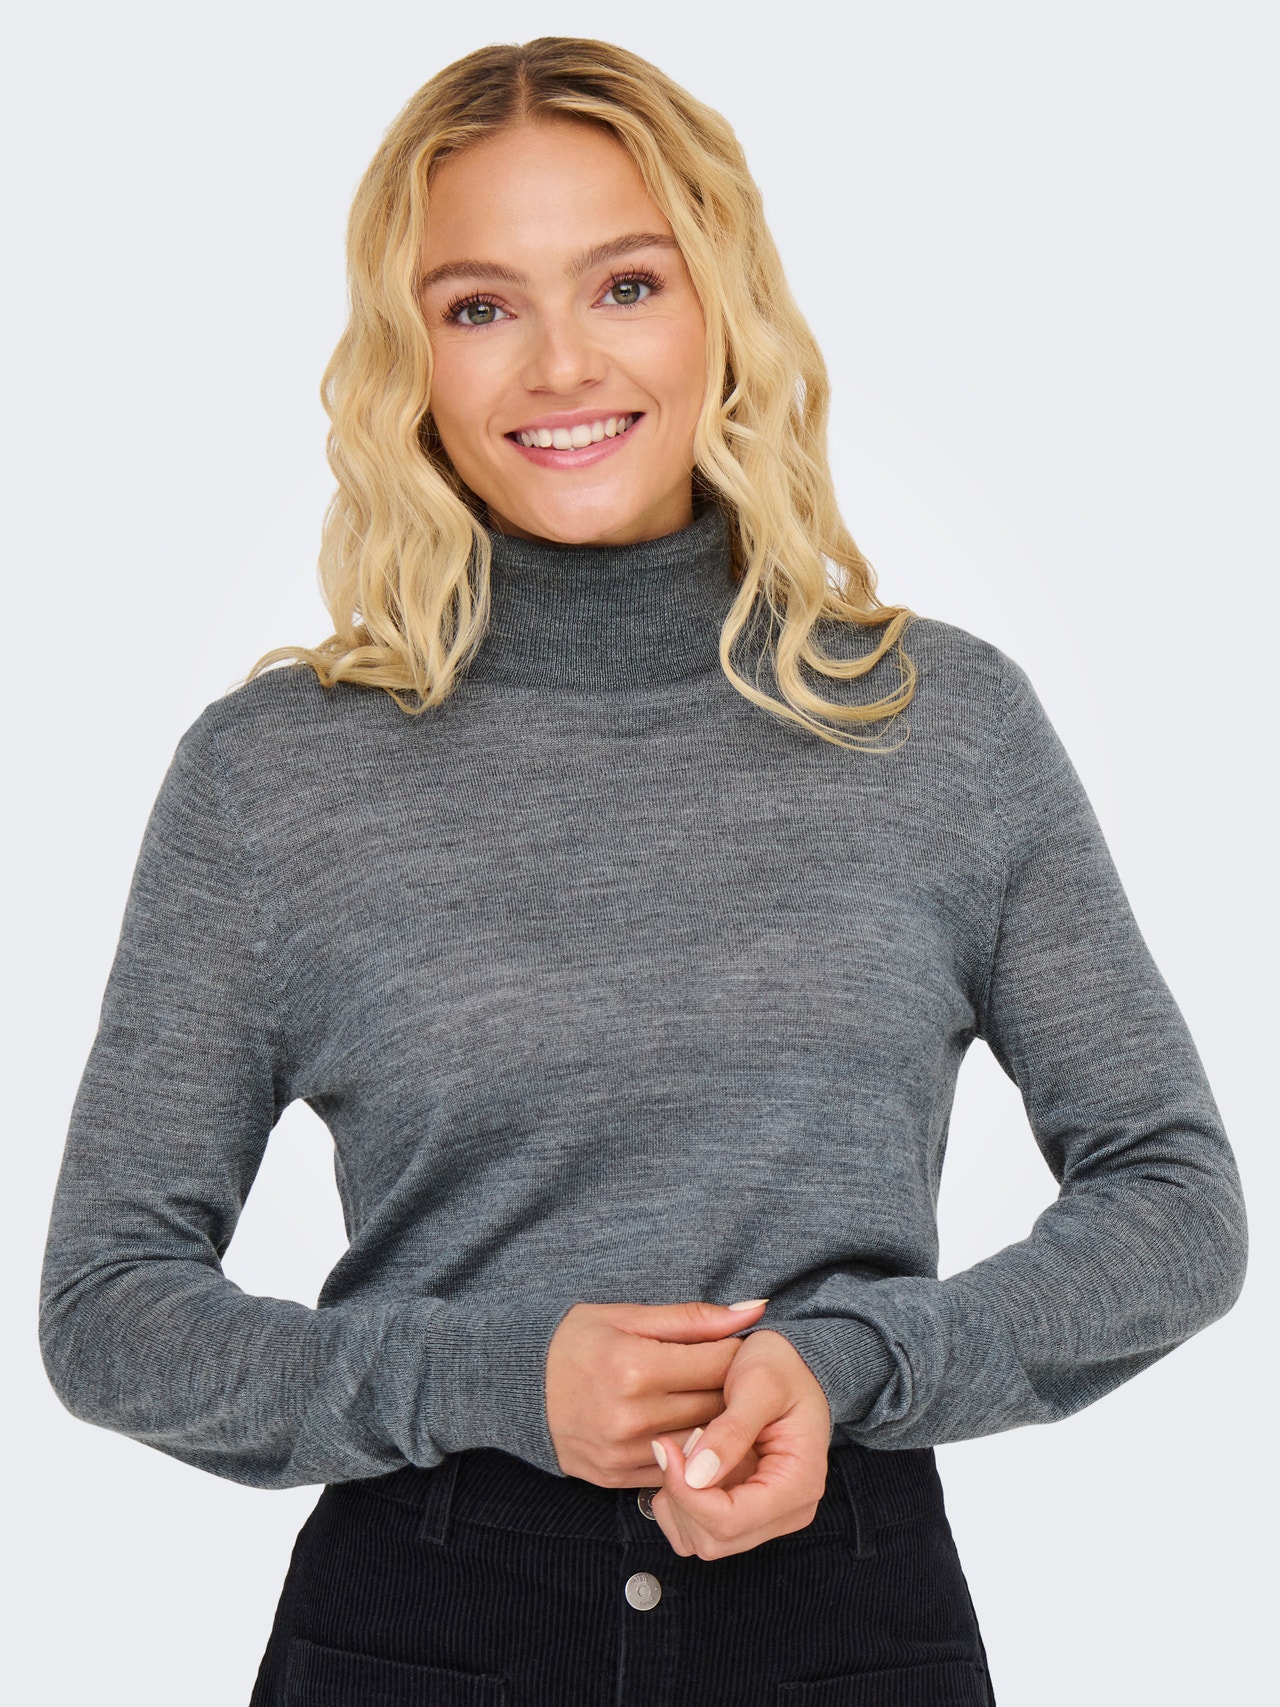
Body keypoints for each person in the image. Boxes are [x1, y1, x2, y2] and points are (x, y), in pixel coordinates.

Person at [38, 35, 1247, 1707]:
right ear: (409, 359)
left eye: (624, 284)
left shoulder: (940, 727)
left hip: (847, 1625)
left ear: (720, 310)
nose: (559, 364)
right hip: (419, 1633)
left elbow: (1175, 1203)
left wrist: (850, 1363)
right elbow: (108, 1308)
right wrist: (489, 1380)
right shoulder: (275, 777)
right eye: (480, 305)